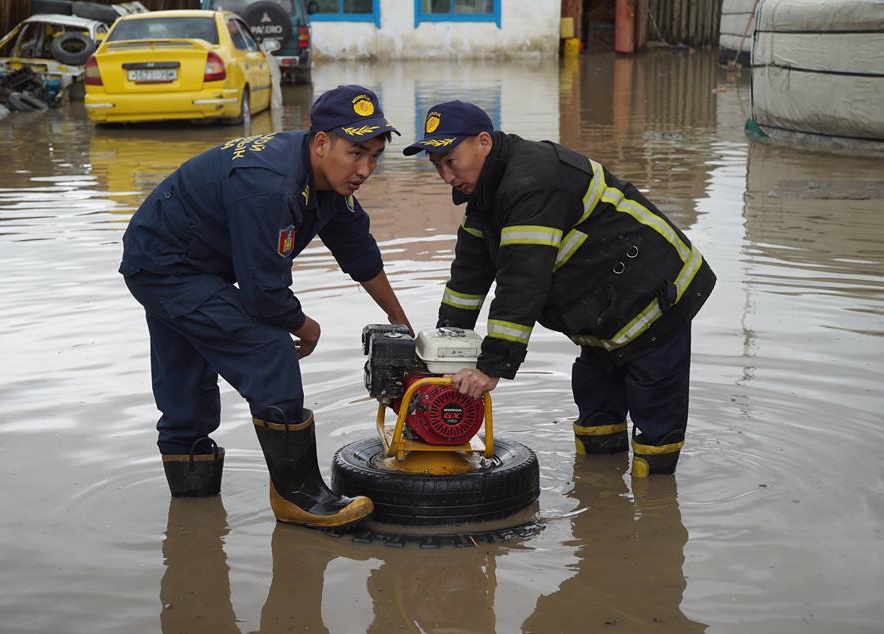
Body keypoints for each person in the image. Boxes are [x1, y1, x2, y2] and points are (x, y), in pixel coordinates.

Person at [121, 85, 412, 528]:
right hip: (166, 266)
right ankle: (298, 497)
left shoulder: (328, 182)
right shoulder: (270, 186)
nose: (365, 169)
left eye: (374, 156)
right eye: (356, 153)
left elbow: (360, 253)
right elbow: (264, 294)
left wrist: (399, 321)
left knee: (185, 375)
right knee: (268, 349)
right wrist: (306, 326)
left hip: (179, 259)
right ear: (320, 142)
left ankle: (192, 515)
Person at [404, 101, 715, 476]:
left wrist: (490, 368)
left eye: (450, 160)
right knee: (595, 420)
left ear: (483, 142)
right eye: (436, 165)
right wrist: (443, 355)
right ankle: (600, 509)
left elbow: (523, 280)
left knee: (654, 437)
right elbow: (466, 282)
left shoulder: (533, 182)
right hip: (602, 318)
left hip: (656, 302)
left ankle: (653, 514)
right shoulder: (484, 201)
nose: (445, 176)